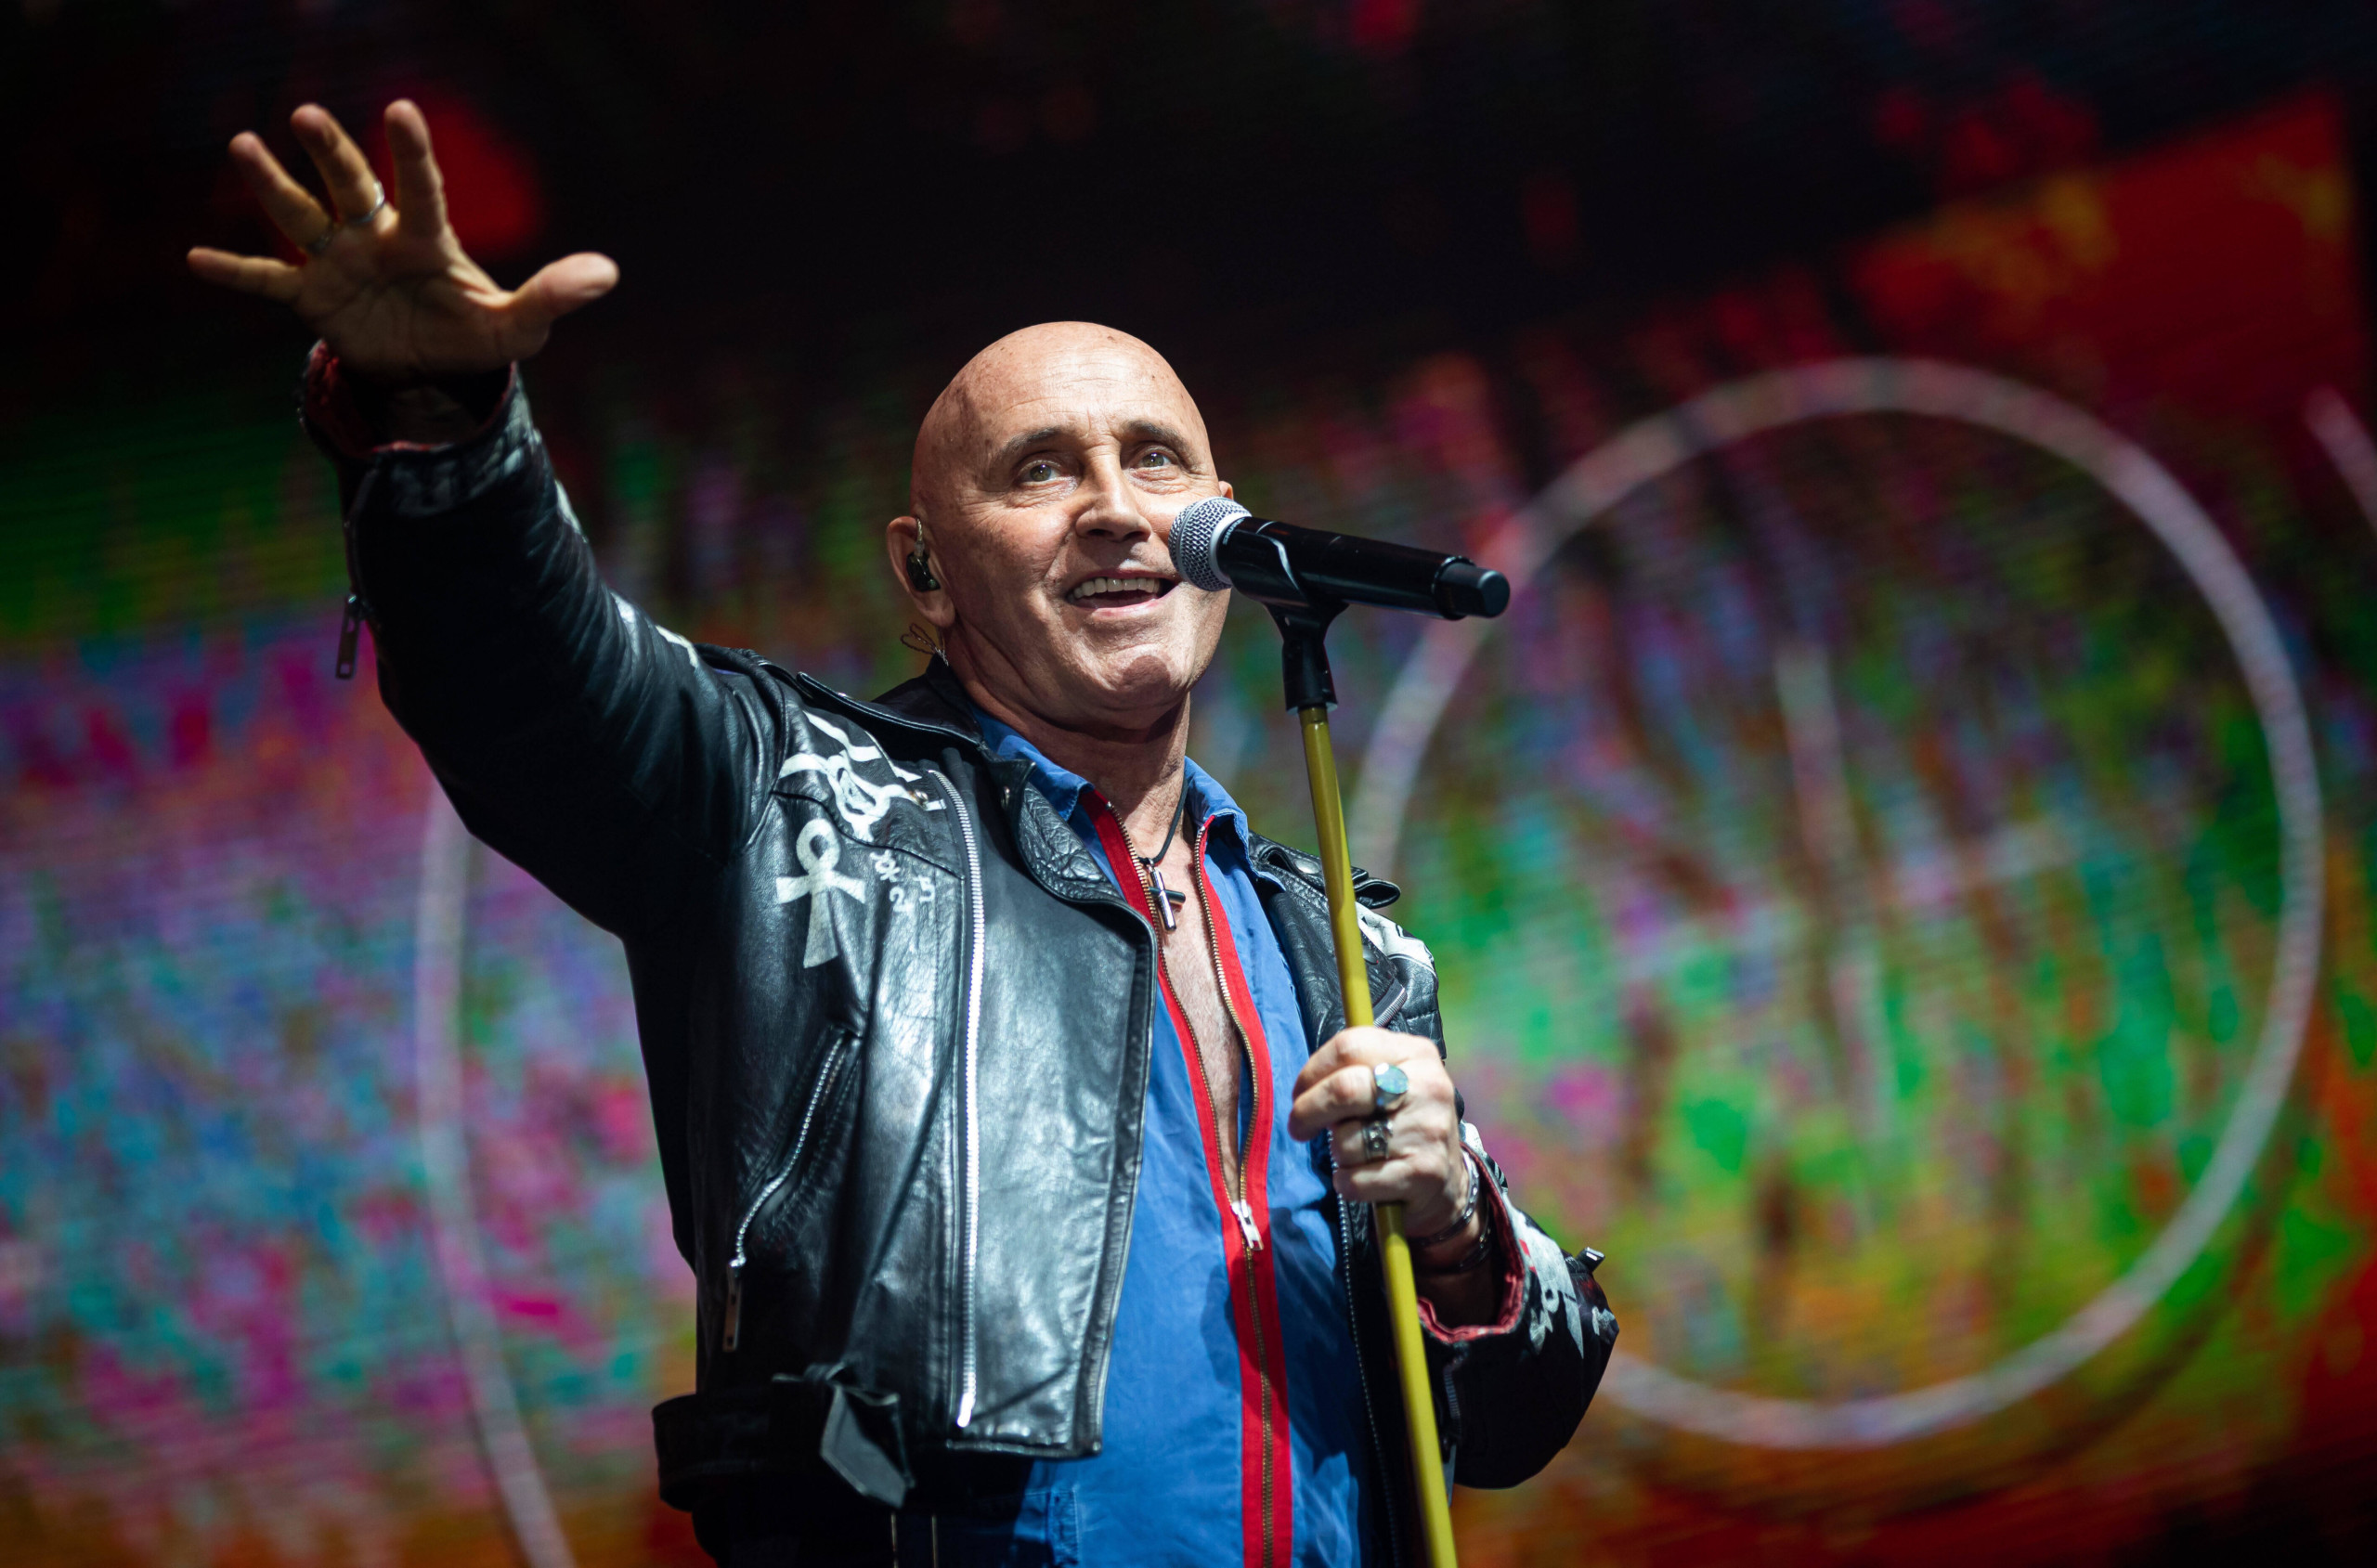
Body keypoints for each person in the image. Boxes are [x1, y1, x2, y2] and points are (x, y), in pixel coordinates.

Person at [190, 100, 1617, 1567]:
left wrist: (1462, 1231)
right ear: (927, 573)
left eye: (1156, 460)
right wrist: (445, 432)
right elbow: (542, 685)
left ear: (1223, 528)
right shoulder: (795, 806)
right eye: (1042, 470)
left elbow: (1512, 1421)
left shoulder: (1339, 941)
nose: (1116, 511)